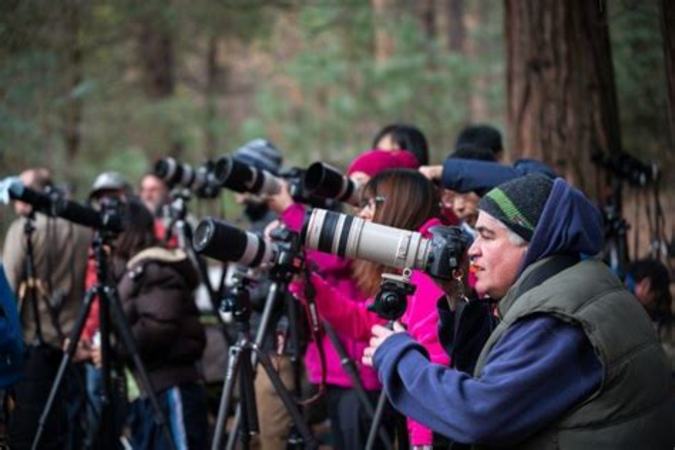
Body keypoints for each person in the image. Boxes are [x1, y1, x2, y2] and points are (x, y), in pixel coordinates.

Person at [363, 174, 673, 448]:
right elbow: (491, 371)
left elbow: (479, 416)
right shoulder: (577, 282)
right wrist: (458, 296)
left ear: (532, 243)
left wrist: (398, 356)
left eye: (486, 236)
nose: (472, 250)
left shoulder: (556, 319)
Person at [265, 148, 420, 450]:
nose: (356, 201)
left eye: (365, 190)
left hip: (367, 373)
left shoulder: (401, 253)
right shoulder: (370, 244)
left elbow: (333, 258)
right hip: (342, 367)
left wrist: (290, 211)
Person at [291, 169, 451, 448]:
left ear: (398, 205)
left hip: (436, 426)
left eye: (370, 204)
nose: (361, 215)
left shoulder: (429, 271)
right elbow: (364, 322)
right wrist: (305, 282)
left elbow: (435, 362)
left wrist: (422, 443)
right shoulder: (411, 265)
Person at [93, 198, 208, 450]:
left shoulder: (154, 269)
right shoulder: (130, 273)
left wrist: (114, 347)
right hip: (150, 389)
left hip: (170, 387)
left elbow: (158, 329)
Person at [3, 168, 92, 450]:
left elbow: (8, 283)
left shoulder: (23, 230)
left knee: (34, 431)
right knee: (73, 427)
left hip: (35, 344)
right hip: (75, 344)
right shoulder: (82, 227)